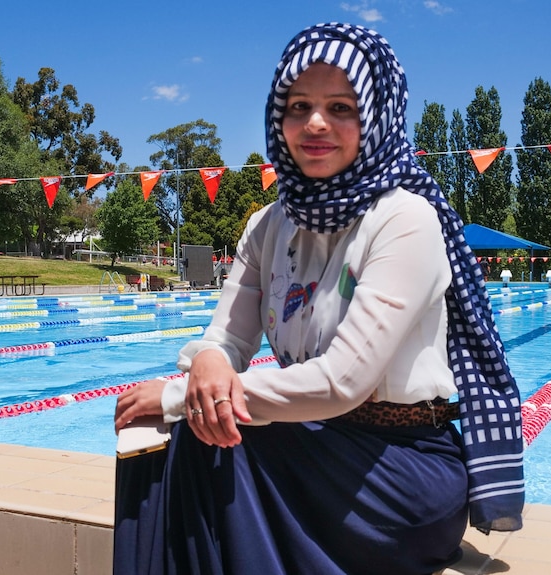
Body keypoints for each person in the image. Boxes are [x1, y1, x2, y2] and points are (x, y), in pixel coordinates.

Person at [114, 22, 523, 575]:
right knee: (182, 435)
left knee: (212, 431)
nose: (314, 124)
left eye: (342, 107)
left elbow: (341, 383)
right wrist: (207, 365)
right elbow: (227, 337)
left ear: (376, 117)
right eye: (298, 104)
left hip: (399, 475)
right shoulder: (269, 225)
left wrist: (180, 397)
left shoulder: (405, 219)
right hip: (313, 445)